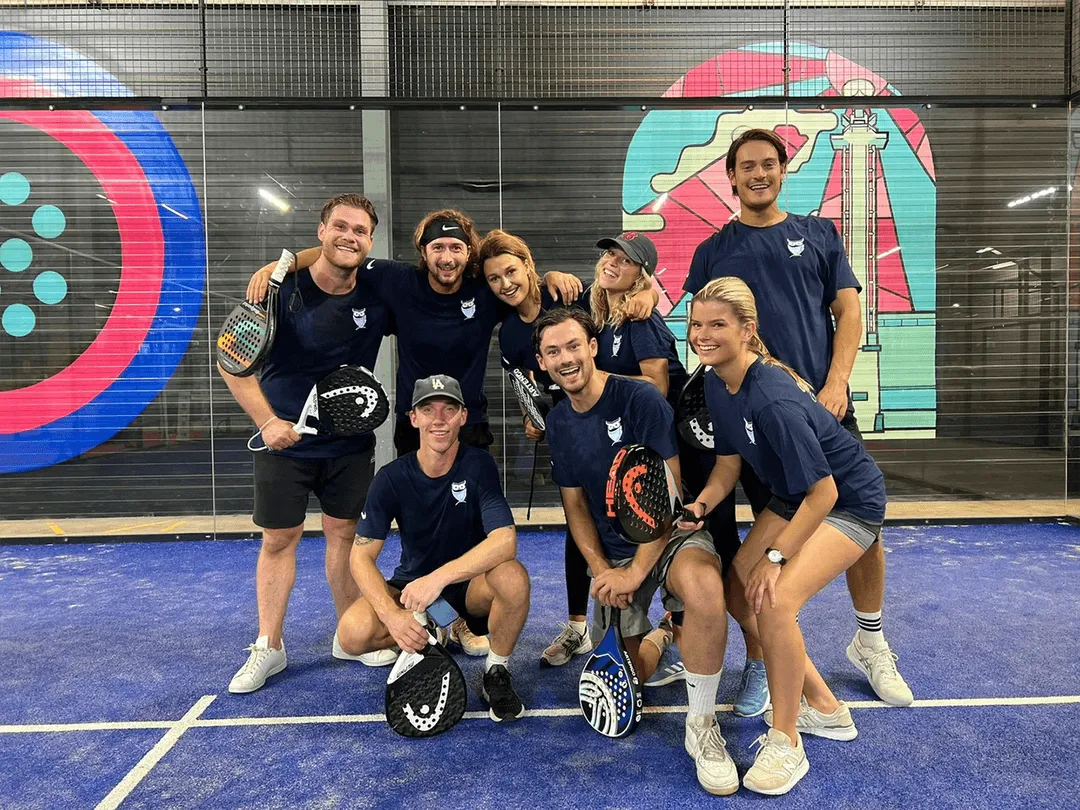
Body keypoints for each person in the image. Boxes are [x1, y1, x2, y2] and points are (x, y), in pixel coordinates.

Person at [247, 210, 579, 658]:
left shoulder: (485, 288)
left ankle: (458, 616)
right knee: (422, 530)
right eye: (438, 247)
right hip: (416, 424)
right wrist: (283, 265)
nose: (447, 256)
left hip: (470, 425)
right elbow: (339, 256)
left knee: (477, 533)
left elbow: (524, 292)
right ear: (423, 252)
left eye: (457, 248)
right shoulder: (395, 280)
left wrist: (554, 275)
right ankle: (439, 614)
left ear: (469, 256)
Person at [683, 127, 913, 710]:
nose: (758, 174)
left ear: (783, 171)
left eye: (769, 164)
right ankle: (765, 661)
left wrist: (837, 382)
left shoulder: (817, 234)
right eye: (746, 166)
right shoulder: (713, 249)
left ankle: (871, 641)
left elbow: (849, 307)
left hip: (821, 413)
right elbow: (699, 319)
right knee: (763, 552)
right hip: (760, 423)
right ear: (730, 177)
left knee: (862, 532)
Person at [683, 276, 885, 795]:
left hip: (848, 500)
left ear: (748, 331)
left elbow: (825, 492)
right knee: (736, 590)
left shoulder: (772, 397)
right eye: (696, 324)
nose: (702, 335)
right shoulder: (714, 379)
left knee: (772, 598)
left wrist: (775, 556)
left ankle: (786, 741)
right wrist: (701, 504)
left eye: (717, 325)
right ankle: (825, 707)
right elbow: (728, 462)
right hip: (795, 496)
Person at [536, 307, 738, 797]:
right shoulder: (558, 422)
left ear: (593, 347)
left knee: (705, 587)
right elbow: (576, 508)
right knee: (628, 680)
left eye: (573, 346)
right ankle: (665, 638)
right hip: (613, 555)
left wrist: (636, 573)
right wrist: (603, 570)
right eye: (553, 352)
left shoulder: (640, 397)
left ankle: (703, 725)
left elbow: (666, 497)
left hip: (666, 537)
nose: (566, 358)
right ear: (541, 363)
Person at [221, 193, 392, 694]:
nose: (349, 237)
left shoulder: (377, 292)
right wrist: (268, 422)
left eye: (360, 231)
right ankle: (269, 646)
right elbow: (232, 364)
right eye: (340, 227)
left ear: (370, 241)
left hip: (349, 446)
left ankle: (348, 637)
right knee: (279, 540)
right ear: (320, 232)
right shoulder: (279, 289)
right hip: (285, 447)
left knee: (344, 537)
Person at [479, 228, 658, 668]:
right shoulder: (508, 335)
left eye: (511, 270)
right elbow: (531, 385)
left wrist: (650, 293)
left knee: (650, 515)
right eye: (493, 278)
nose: (505, 283)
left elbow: (625, 287)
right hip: (568, 429)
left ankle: (673, 619)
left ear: (529, 266)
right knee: (577, 517)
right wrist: (532, 416)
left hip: (618, 420)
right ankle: (578, 625)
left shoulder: (568, 290)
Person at [335, 375, 531, 722]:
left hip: (469, 587)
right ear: (414, 418)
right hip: (413, 588)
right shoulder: (391, 477)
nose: (438, 418)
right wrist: (392, 616)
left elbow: (505, 540)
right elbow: (360, 556)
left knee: (513, 577)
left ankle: (495, 672)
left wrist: (438, 579)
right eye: (428, 409)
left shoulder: (479, 465)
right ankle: (429, 625)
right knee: (350, 636)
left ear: (462, 416)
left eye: (448, 409)